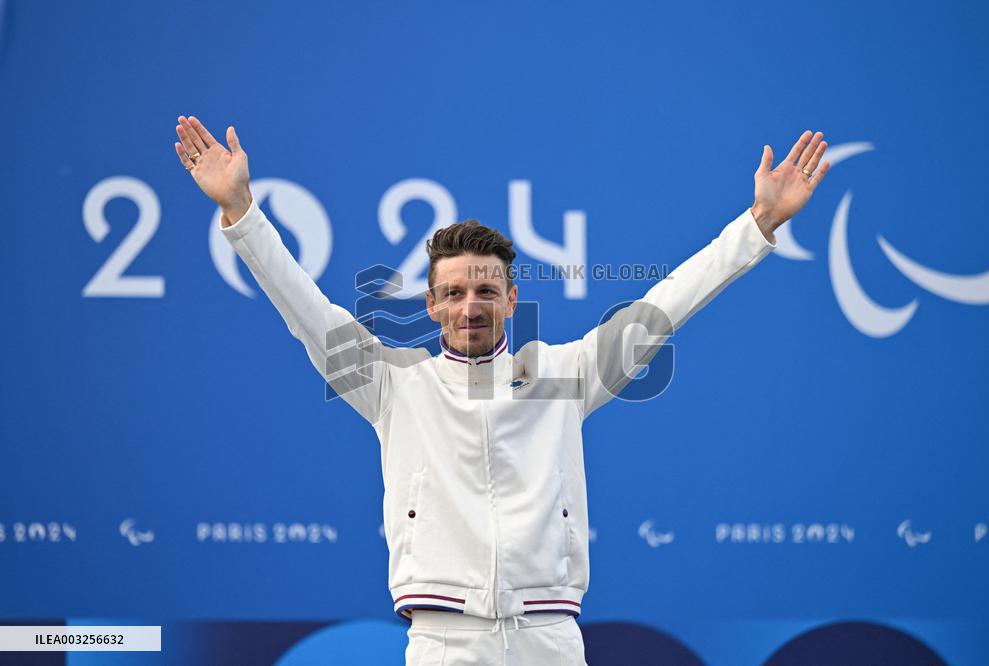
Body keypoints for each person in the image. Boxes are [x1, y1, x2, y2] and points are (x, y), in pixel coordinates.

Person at [174, 115, 829, 665]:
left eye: (486, 290)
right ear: (429, 305)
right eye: (454, 292)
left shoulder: (565, 377)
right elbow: (304, 309)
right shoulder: (392, 386)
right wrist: (241, 212)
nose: (470, 305)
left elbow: (665, 307)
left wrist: (758, 225)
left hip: (550, 639)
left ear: (511, 298)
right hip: (441, 643)